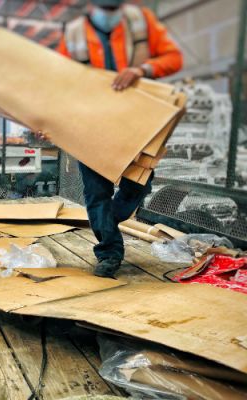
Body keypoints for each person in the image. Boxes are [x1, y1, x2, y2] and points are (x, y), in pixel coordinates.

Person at [55, 0, 183, 278]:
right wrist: (51, 120)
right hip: (91, 125)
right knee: (96, 192)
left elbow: (173, 58)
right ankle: (109, 253)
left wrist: (142, 70)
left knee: (138, 185)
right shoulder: (75, 33)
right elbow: (60, 82)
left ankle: (107, 220)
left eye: (114, 9)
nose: (109, 14)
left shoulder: (140, 23)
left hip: (137, 124)